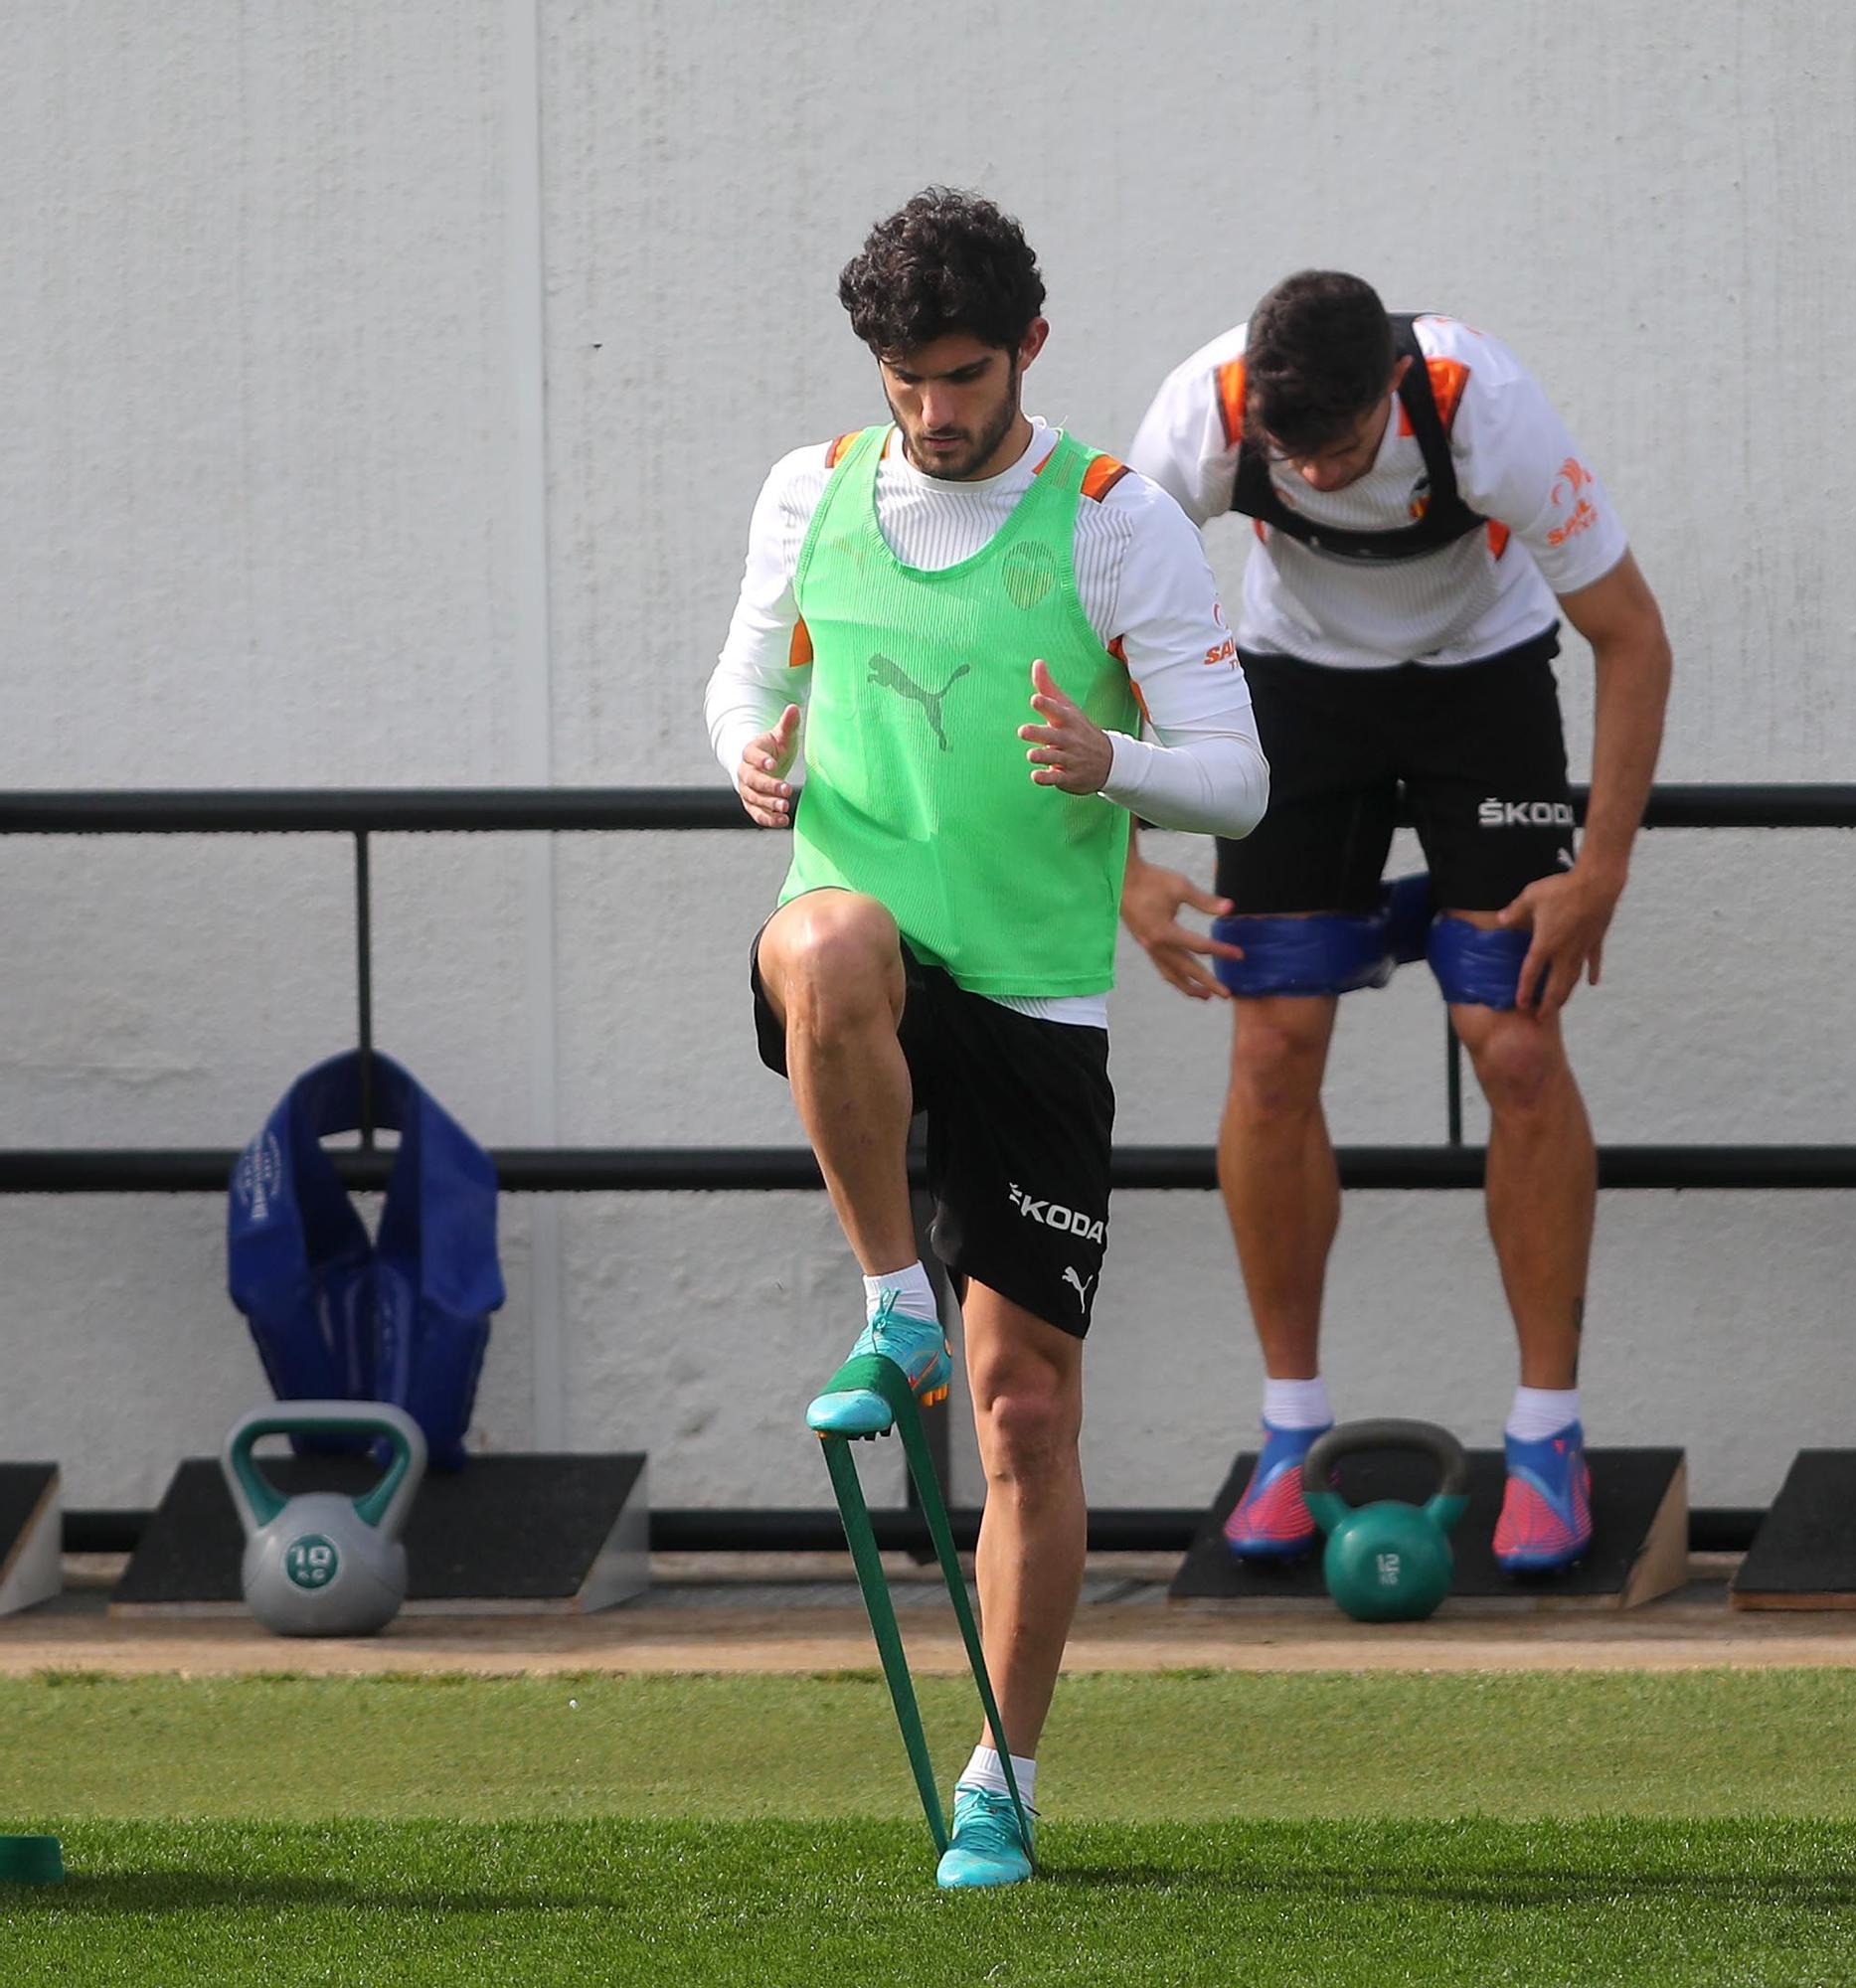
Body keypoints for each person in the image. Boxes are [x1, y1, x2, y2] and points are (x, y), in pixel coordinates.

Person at [704, 188, 1266, 1888]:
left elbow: (1235, 771)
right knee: (825, 939)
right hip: (859, 973)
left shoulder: (1114, 522)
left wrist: (1118, 768)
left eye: (958, 375)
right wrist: (750, 758)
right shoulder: (809, 492)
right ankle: (892, 1305)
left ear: (1028, 344)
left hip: (1033, 1007)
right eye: (902, 381)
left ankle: (1000, 1782)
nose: (932, 414)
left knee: (1026, 1414)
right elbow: (738, 686)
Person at [1123, 271, 1671, 1574]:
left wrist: (1599, 869)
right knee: (1271, 1044)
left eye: (1340, 446)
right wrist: (1123, 866)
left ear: (1389, 391)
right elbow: (1096, 628)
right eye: (1285, 449)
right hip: (1295, 689)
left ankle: (1546, 1434)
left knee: (1515, 1039)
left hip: (1478, 681)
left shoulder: (1484, 409)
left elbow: (1632, 638)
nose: (1310, 472)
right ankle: (1284, 1427)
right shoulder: (1196, 418)